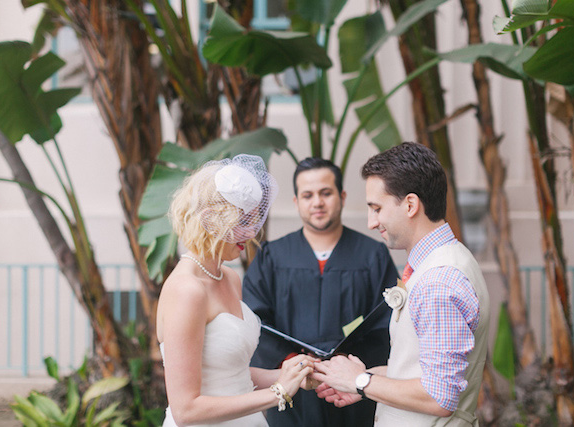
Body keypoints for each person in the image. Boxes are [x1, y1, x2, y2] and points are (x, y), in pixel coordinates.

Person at [313, 142, 490, 426]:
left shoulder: (439, 281)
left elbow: (438, 397)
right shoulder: (447, 261)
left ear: (410, 205)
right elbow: (423, 371)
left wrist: (360, 381)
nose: (372, 222)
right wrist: (364, 380)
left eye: (377, 208)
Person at [157, 154, 316, 427]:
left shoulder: (229, 277)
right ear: (210, 219)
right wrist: (277, 392)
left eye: (255, 220)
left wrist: (289, 374)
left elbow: (231, 374)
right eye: (243, 222)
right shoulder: (187, 290)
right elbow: (186, 410)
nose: (252, 232)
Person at [243, 157, 399, 427]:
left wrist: (348, 367)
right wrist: (293, 364)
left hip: (350, 390)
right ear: (296, 202)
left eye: (326, 193)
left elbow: (384, 324)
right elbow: (256, 320)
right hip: (292, 389)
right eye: (308, 195)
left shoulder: (372, 256)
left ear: (342, 196)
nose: (317, 202)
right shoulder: (272, 256)